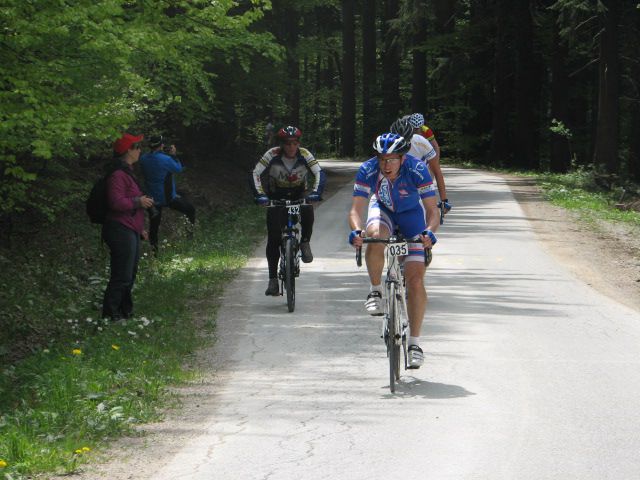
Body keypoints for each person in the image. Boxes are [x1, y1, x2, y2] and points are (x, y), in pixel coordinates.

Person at [348, 132, 440, 368]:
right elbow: (356, 210)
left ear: (402, 158)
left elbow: (432, 210)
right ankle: (376, 291)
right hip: (383, 211)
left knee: (416, 280)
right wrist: (357, 231)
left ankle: (415, 343)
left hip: (411, 217)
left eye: (391, 159)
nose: (385, 165)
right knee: (375, 235)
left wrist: (429, 231)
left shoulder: (417, 169)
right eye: (381, 159)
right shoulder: (368, 169)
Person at [252, 125, 325, 296]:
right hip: (276, 195)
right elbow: (255, 173)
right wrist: (260, 195)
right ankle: (272, 281)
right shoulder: (271, 154)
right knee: (274, 237)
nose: (292, 147)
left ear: (299, 143)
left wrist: (316, 193)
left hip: (300, 193)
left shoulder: (305, 154)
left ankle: (305, 241)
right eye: (287, 143)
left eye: (295, 143)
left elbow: (320, 173)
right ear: (281, 144)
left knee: (307, 208)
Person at [102, 133, 155, 321]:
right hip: (119, 229)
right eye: (137, 146)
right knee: (122, 275)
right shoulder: (117, 174)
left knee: (129, 274)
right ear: (128, 150)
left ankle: (125, 312)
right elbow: (115, 203)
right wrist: (138, 201)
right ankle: (111, 315)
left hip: (130, 229)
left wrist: (140, 228)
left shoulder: (128, 171)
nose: (140, 150)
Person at [139, 135, 195, 252]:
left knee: (154, 226)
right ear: (161, 145)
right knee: (190, 210)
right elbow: (178, 169)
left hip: (152, 199)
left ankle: (154, 253)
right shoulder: (166, 159)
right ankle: (190, 239)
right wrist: (174, 155)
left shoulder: (143, 158)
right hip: (168, 198)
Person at [407, 113, 451, 214]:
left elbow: (436, 147)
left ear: (422, 126)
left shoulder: (426, 130)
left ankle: (427, 186)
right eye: (414, 129)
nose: (417, 132)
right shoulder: (405, 131)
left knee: (431, 170)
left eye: (418, 129)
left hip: (424, 152)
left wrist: (435, 162)